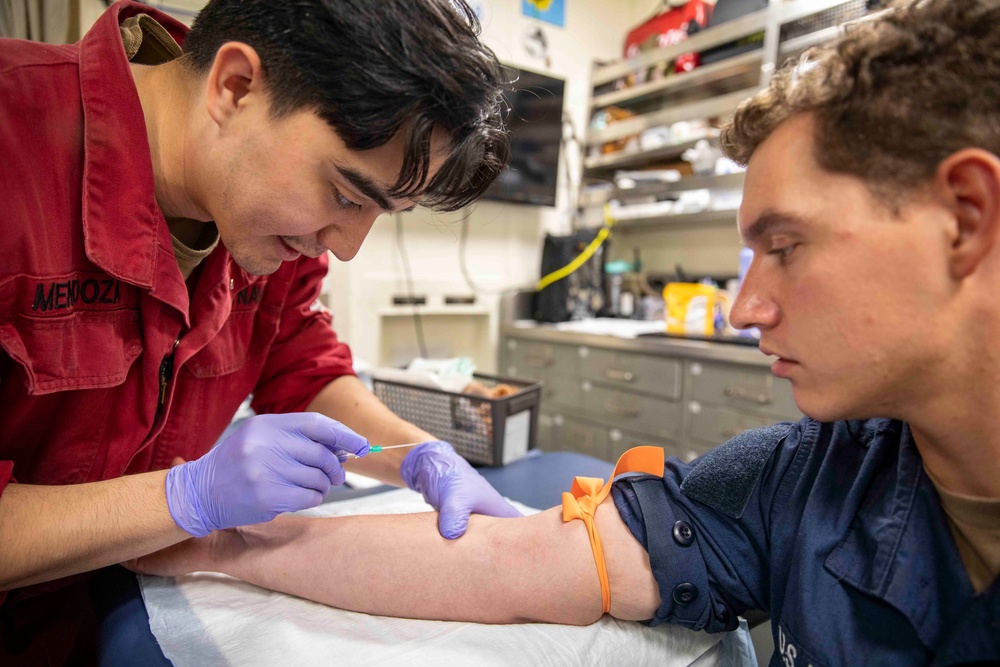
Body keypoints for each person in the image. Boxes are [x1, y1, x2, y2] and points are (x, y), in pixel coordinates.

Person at [130, 1, 1000, 664]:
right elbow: (516, 559)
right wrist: (215, 539)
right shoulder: (798, 481)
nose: (743, 310)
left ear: (964, 218)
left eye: (784, 245)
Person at [0, 0, 517, 662]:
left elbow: (303, 367)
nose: (349, 245)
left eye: (383, 211)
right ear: (235, 88)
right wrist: (182, 496)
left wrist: (420, 457)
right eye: (347, 194)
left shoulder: (266, 228)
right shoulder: (15, 142)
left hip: (111, 612)